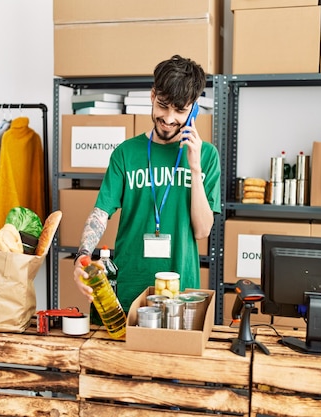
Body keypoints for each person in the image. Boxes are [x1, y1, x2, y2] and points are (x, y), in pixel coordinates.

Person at [72, 54, 222, 312]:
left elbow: (202, 231)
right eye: (163, 105)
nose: (169, 118)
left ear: (194, 108)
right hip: (127, 292)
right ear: (153, 96)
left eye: (180, 110)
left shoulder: (206, 156)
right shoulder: (126, 153)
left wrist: (194, 169)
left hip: (180, 296)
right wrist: (81, 257)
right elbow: (100, 212)